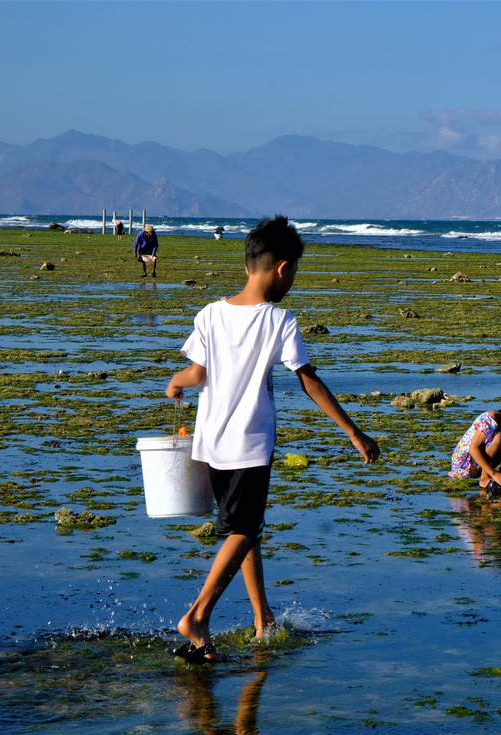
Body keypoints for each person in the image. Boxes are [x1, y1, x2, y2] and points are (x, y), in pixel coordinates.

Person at [165, 215, 380, 664]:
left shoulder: (209, 313)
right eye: (295, 272)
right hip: (250, 444)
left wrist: (176, 381)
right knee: (244, 528)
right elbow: (310, 382)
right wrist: (354, 432)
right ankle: (198, 615)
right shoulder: (280, 320)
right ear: (282, 269)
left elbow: (197, 373)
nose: (294, 280)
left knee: (246, 532)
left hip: (212, 444)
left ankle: (263, 618)